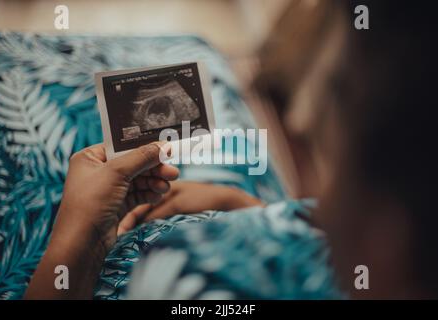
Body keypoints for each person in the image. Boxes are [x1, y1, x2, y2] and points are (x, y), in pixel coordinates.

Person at [25, 0, 438, 299]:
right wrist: (242, 205)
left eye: (338, 102)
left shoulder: (190, 277)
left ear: (389, 237)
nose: (299, 124)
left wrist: (73, 245)